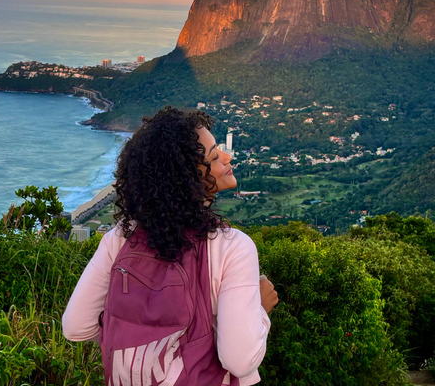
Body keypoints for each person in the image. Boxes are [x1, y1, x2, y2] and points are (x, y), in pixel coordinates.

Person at [63, 106, 278, 385]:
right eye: (214, 156)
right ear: (188, 180)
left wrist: (144, 341)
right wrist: (260, 309)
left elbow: (76, 327)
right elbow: (239, 360)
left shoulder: (120, 238)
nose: (227, 157)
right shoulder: (232, 247)